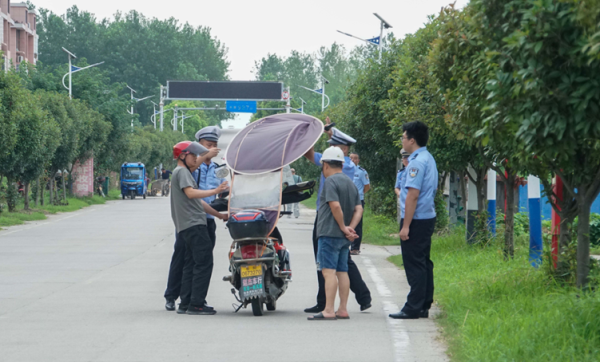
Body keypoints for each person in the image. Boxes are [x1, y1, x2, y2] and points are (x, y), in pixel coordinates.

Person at [302, 117, 372, 314]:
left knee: (327, 264)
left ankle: (328, 305)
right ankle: (345, 303)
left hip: (332, 220)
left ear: (343, 150)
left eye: (333, 144)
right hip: (340, 219)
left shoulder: (343, 167)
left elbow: (335, 206)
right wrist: (320, 133)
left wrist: (344, 227)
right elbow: (309, 154)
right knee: (341, 264)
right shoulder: (338, 164)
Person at [164, 127, 224, 311]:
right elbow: (191, 193)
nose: (211, 149)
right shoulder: (189, 169)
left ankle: (189, 300)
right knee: (185, 259)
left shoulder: (216, 168)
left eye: (214, 146)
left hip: (205, 219)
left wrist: (221, 214)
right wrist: (202, 157)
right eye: (207, 146)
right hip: (191, 223)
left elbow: (201, 201)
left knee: (196, 261)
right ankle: (178, 297)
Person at [390, 121, 438, 320]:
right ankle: (424, 304)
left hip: (416, 219)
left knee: (414, 264)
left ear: (412, 140)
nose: (402, 140)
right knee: (424, 262)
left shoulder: (416, 162)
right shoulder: (428, 157)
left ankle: (413, 307)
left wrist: (406, 226)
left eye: (403, 137)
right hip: (427, 217)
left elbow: (412, 195)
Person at [308, 147, 363, 321]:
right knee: (342, 271)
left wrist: (342, 226)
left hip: (329, 233)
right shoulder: (350, 182)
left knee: (328, 272)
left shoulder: (330, 181)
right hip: (342, 238)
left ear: (325, 164)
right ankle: (343, 309)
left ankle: (329, 310)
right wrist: (350, 228)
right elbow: (359, 208)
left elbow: (335, 206)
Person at [349, 153, 370, 255]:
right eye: (351, 158)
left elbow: (367, 186)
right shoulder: (345, 169)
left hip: (358, 200)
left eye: (355, 158)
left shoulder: (361, 172)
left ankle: (355, 248)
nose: (353, 160)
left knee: (357, 223)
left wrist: (359, 194)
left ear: (358, 160)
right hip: (347, 199)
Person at [395, 149, 411, 225]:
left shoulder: (414, 171)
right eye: (404, 158)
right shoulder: (400, 173)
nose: (406, 160)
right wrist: (400, 194)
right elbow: (396, 187)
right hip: (403, 200)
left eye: (408, 158)